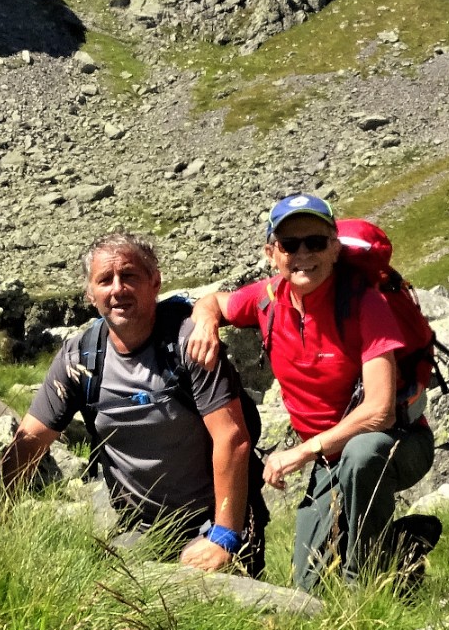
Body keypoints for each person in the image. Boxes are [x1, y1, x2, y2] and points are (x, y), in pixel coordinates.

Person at [186, 193, 435, 591]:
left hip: (396, 445)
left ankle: (364, 587)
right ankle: (401, 544)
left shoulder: (364, 303)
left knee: (361, 453)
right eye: (289, 244)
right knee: (309, 586)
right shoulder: (266, 300)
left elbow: (380, 412)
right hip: (329, 459)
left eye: (316, 242)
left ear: (334, 248)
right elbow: (213, 301)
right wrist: (203, 322)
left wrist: (302, 452)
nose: (303, 254)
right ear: (272, 252)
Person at [1, 233, 267, 577]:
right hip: (141, 529)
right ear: (89, 293)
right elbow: (30, 441)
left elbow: (232, 439)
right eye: (104, 280)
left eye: (129, 276)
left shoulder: (191, 343)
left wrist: (224, 536)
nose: (117, 289)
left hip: (213, 521)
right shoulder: (80, 358)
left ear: (154, 283)